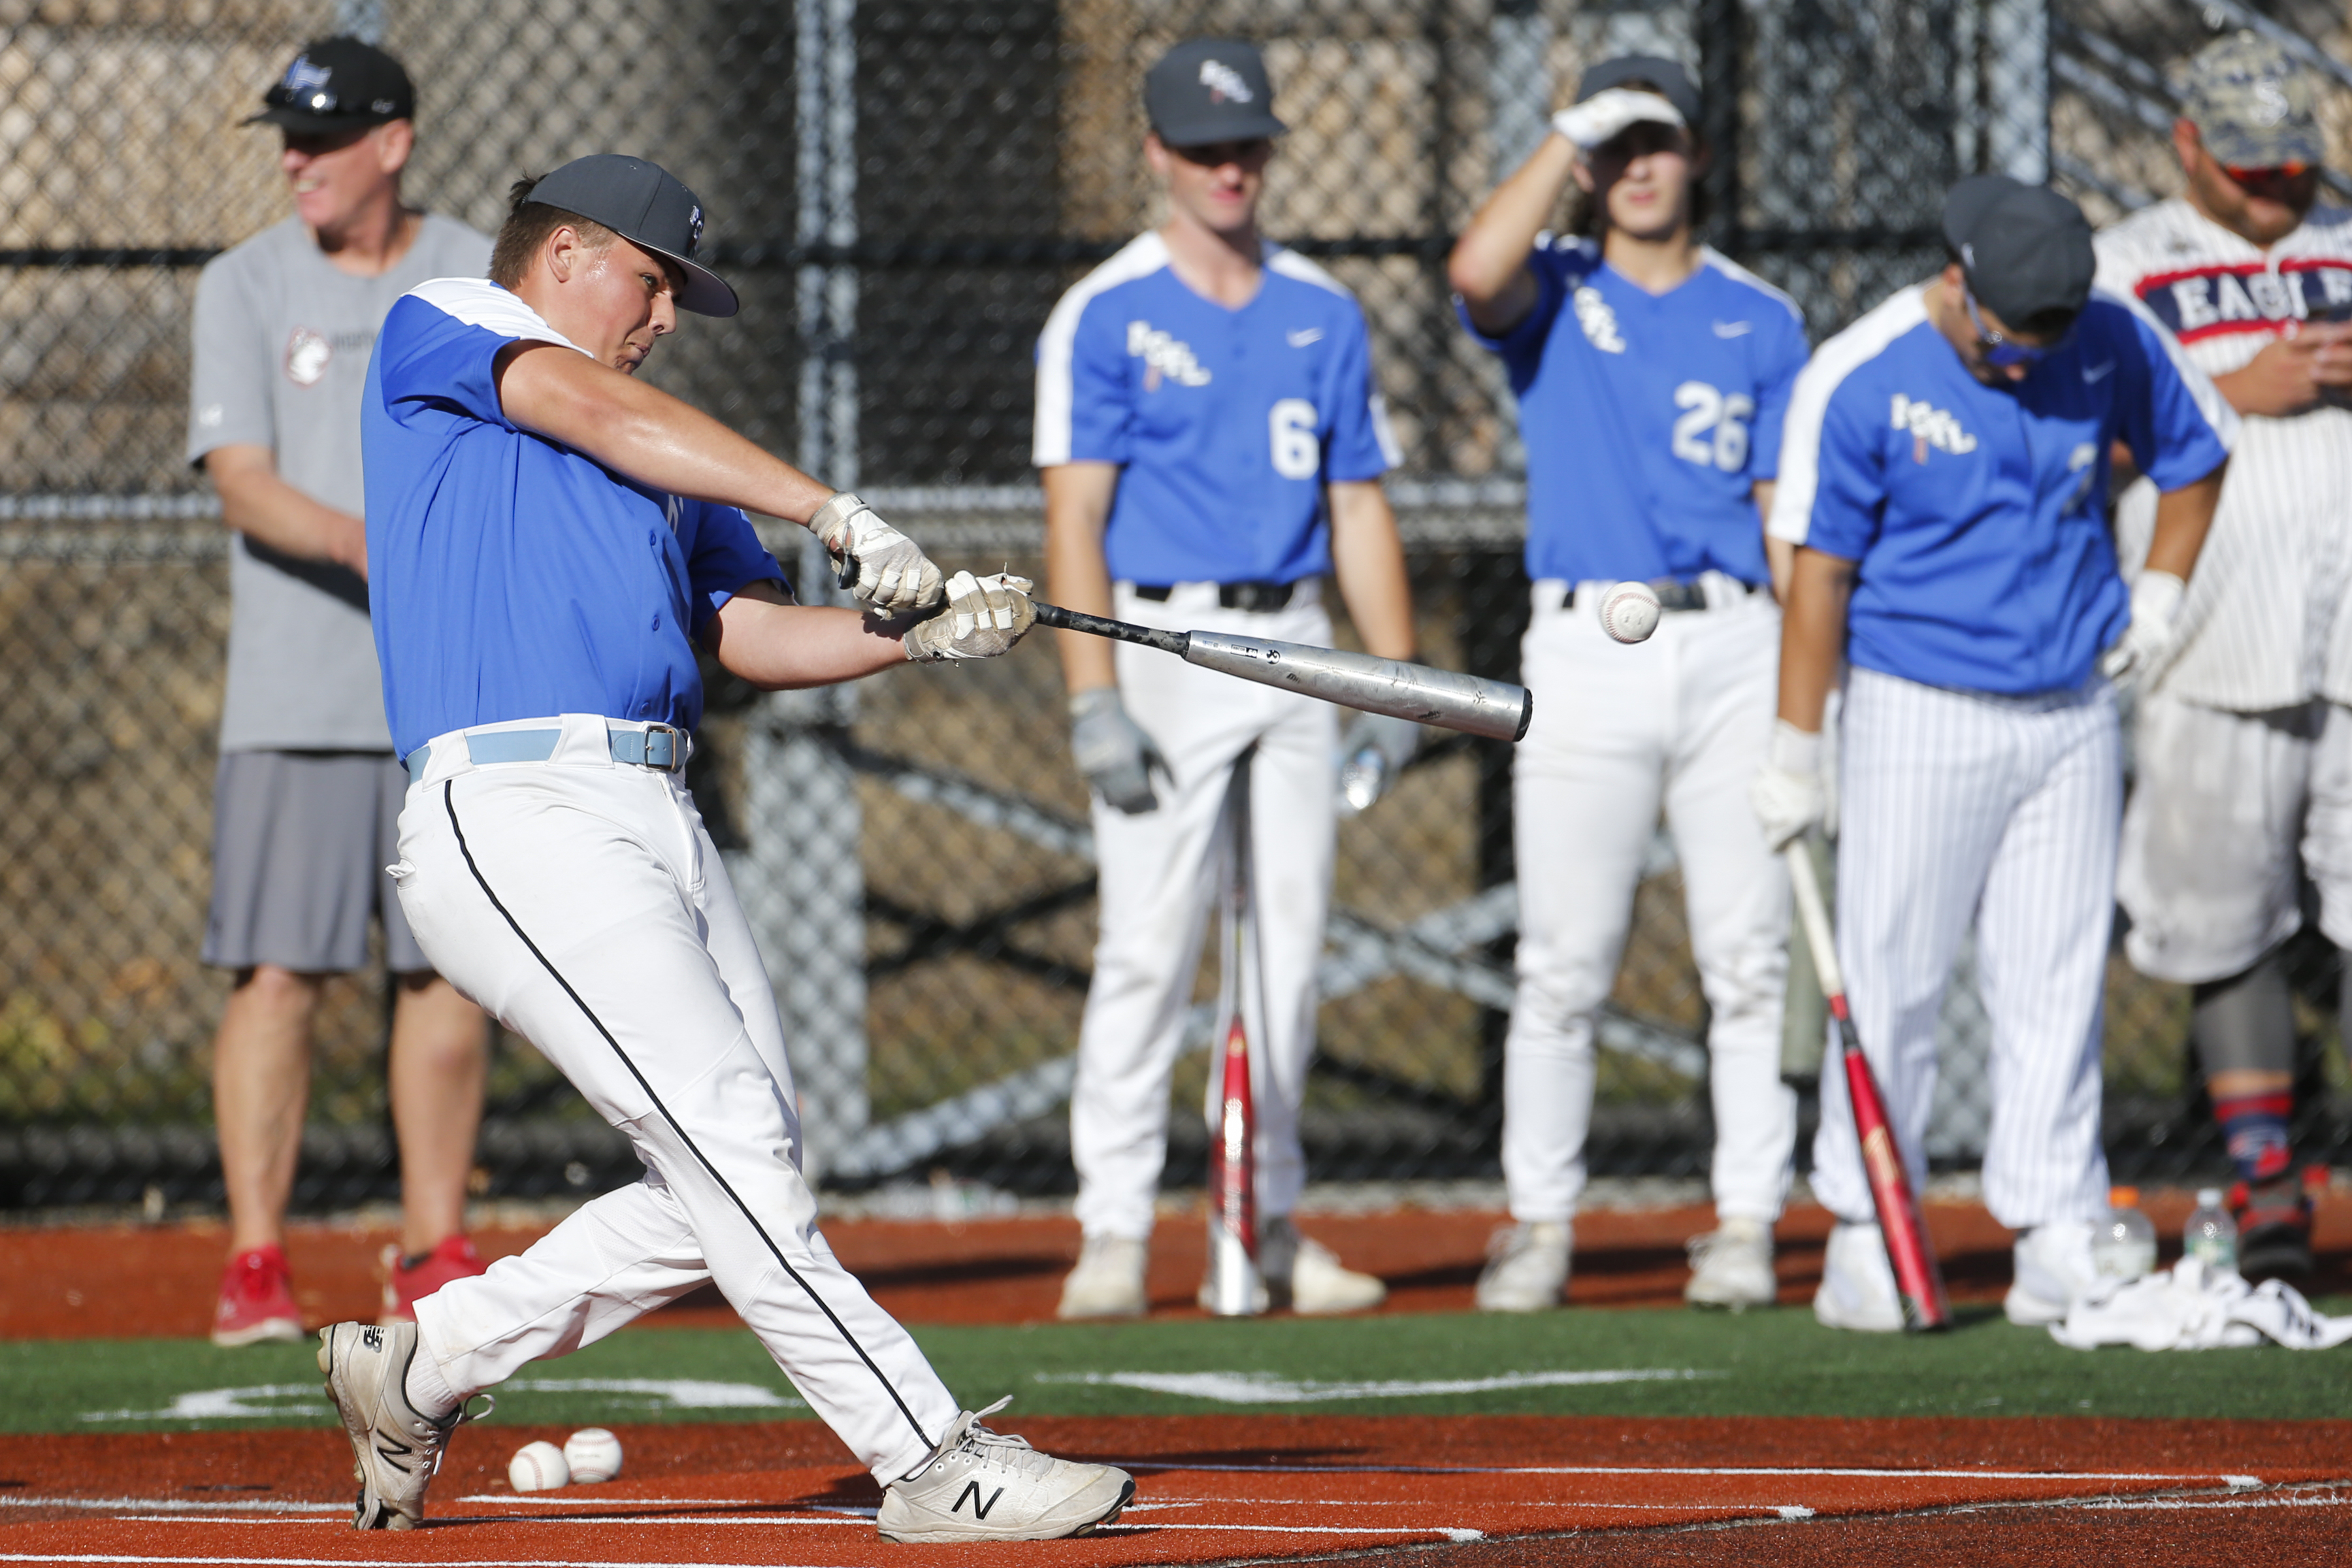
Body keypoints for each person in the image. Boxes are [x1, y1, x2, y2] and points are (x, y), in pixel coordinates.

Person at [316, 154, 1131, 1544]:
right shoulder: (447, 322)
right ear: (565, 252)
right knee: (733, 1146)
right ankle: (930, 1461)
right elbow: (583, 400)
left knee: (740, 1179)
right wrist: (833, 509)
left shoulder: (665, 456)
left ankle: (427, 1363)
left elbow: (742, 637)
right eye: (651, 281)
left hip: (657, 811)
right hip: (515, 810)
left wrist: (910, 632)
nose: (665, 317)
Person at [1758, 175, 2234, 1332]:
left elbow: (2198, 452)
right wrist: (1796, 743)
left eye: (2045, 338)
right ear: (1956, 280)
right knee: (1893, 974)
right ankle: (1871, 1224)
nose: (2025, 359)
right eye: (2006, 334)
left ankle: (2055, 1220)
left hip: (2072, 703)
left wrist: (2161, 595)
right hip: (1919, 703)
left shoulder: (2109, 332)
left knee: (2056, 976)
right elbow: (1813, 568)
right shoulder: (1860, 372)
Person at [1035, 37, 1414, 1320]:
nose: (1229, 168)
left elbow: (1356, 504)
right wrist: (1093, 696)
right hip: (1162, 644)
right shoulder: (1106, 309)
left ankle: (1267, 1219)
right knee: (1148, 944)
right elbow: (1074, 517)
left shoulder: (1323, 310)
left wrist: (1394, 683)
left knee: (1291, 948)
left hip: (1297, 638)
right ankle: (1114, 1229)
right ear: (1156, 155)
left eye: (1247, 144)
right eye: (1204, 148)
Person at [1446, 57, 1809, 1313]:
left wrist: (1817, 695)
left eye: (1661, 138)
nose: (1640, 164)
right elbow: (1473, 270)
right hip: (1586, 644)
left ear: (1700, 154)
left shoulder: (1759, 317)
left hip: (1735, 641)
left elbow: (1780, 515)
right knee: (1565, 958)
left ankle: (1750, 1221)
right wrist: (1567, 136)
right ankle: (1541, 1223)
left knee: (1747, 954)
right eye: (1619, 143)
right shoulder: (1554, 283)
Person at [188, 36, 493, 1347]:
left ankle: (433, 1244)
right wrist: (367, 539)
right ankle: (258, 1262)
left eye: (324, 135)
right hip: (296, 691)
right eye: (287, 138)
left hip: (446, 692)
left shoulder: (475, 270)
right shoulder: (245, 284)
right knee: (278, 972)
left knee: (450, 971)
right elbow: (239, 476)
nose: (296, 160)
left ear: (395, 142)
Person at [2094, 31, 2352, 1280]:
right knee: (2225, 923)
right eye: (2246, 165)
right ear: (2187, 142)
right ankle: (2267, 1191)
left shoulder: (2347, 243)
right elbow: (2073, 449)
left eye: (2291, 164)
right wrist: (2230, 394)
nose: (2272, 188)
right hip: (2204, 640)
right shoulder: (2122, 267)